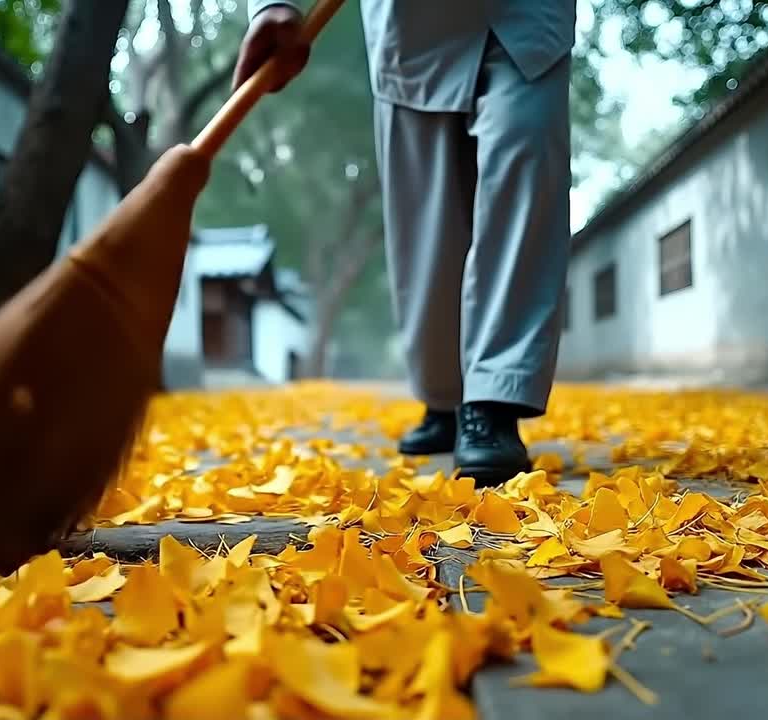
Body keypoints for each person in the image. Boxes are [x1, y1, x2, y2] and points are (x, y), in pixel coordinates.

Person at [235, 0, 575, 486]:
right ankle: (444, 398)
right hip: (409, 33)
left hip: (523, 16)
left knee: (524, 170)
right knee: (427, 229)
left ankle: (493, 400)